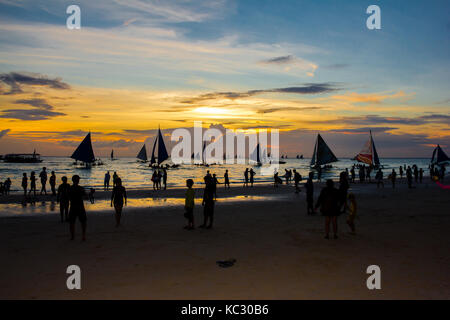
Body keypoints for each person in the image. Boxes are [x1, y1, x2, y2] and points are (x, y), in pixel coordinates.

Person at [68, 175, 87, 241]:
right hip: (80, 206)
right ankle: (83, 236)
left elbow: (68, 197)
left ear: (72, 180)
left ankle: (72, 236)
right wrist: (91, 193)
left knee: (72, 222)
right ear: (78, 180)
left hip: (73, 206)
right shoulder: (81, 188)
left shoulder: (70, 188)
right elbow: (85, 197)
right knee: (83, 222)